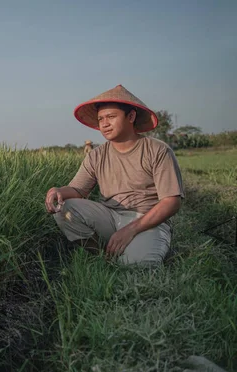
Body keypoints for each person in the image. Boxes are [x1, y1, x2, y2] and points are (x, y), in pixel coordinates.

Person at [45, 84, 184, 266]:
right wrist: (57, 191)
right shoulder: (96, 155)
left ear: (131, 117)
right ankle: (104, 257)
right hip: (110, 216)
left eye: (111, 117)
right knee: (64, 209)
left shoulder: (157, 150)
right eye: (101, 118)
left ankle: (134, 249)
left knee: (137, 266)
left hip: (147, 220)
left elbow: (172, 201)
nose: (104, 124)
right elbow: (78, 189)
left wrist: (130, 230)